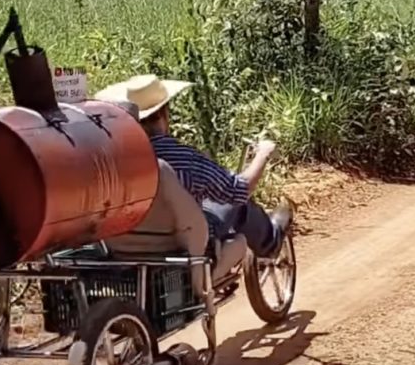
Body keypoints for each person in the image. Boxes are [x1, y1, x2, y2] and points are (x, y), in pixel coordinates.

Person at [95, 75, 293, 259]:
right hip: (183, 247)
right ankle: (272, 242)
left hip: (126, 249)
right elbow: (239, 189)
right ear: (165, 114)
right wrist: (262, 154)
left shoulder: (113, 161)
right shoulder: (185, 159)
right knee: (238, 204)